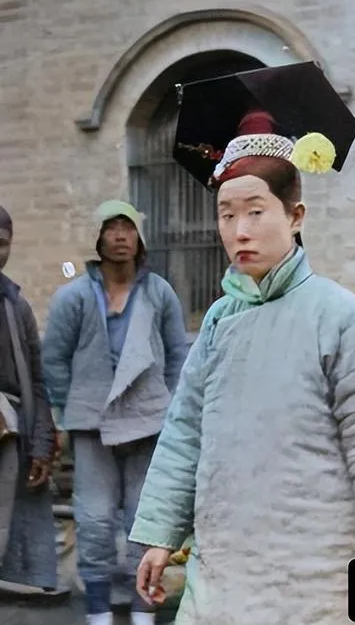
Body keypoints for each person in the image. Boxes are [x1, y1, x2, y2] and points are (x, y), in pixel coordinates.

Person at [129, 62, 355, 625]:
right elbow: (184, 434)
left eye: (256, 211)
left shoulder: (340, 316)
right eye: (227, 214)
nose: (239, 230)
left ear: (295, 216)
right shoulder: (218, 322)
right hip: (221, 576)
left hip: (316, 580)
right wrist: (161, 535)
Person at [42, 200, 188, 625]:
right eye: (111, 228)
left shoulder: (158, 293)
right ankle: (98, 612)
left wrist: (165, 404)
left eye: (128, 228)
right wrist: (73, 407)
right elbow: (55, 360)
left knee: (145, 518)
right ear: (98, 238)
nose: (121, 236)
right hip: (92, 427)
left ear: (140, 238)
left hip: (147, 425)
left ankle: (143, 612)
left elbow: (178, 355)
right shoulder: (74, 297)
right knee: (93, 519)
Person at [0, 205, 58, 591]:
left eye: (1, 243)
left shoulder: (15, 306)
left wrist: (41, 445)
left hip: (10, 434)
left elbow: (36, 380)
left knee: (7, 533)